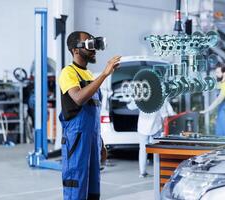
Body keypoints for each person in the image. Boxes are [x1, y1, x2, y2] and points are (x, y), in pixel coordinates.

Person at [58, 31, 121, 200]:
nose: (94, 50)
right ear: (75, 50)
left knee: (93, 190)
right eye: (89, 45)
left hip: (92, 141)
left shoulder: (89, 75)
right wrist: (104, 75)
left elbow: (94, 115)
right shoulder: (68, 73)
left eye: (94, 44)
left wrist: (100, 143)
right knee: (76, 188)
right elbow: (78, 98)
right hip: (76, 141)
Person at [128, 98, 175, 178]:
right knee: (156, 150)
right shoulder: (160, 97)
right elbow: (165, 115)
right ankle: (157, 172)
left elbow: (130, 106)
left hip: (142, 127)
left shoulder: (141, 97)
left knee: (143, 149)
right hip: (156, 127)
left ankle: (142, 172)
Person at [200, 63, 225, 136]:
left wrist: (207, 110)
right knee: (219, 135)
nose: (216, 74)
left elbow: (219, 100)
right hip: (221, 112)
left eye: (218, 72)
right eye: (216, 72)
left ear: (224, 73)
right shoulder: (221, 84)